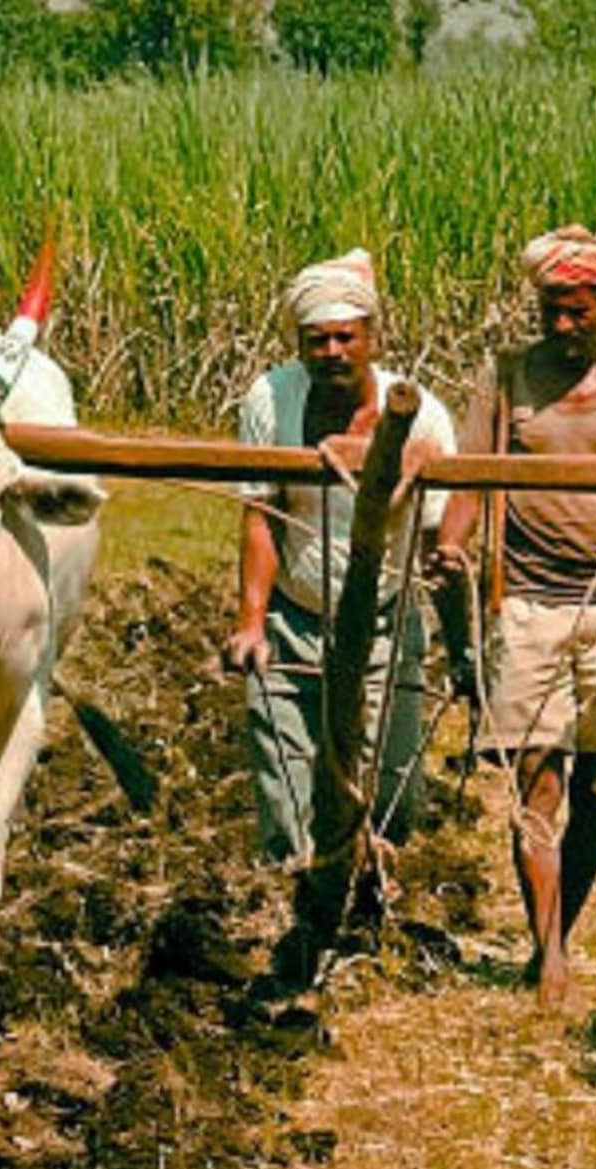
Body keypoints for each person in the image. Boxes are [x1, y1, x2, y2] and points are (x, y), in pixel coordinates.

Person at [431, 226, 596, 1009]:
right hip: (528, 604)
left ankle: (560, 929)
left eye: (578, 312)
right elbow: (471, 474)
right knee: (536, 783)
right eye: (551, 311)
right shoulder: (506, 375)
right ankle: (549, 955)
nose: (563, 326)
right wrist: (450, 544)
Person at [223, 249, 459, 866]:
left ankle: (378, 888)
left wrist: (458, 628)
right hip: (294, 612)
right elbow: (262, 517)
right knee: (286, 766)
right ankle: (294, 890)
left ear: (372, 339)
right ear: (299, 344)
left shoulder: (422, 412)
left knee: (393, 789)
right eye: (316, 340)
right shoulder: (271, 399)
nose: (331, 351)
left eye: (344, 337)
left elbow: (440, 536)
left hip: (384, 613)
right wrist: (251, 623)